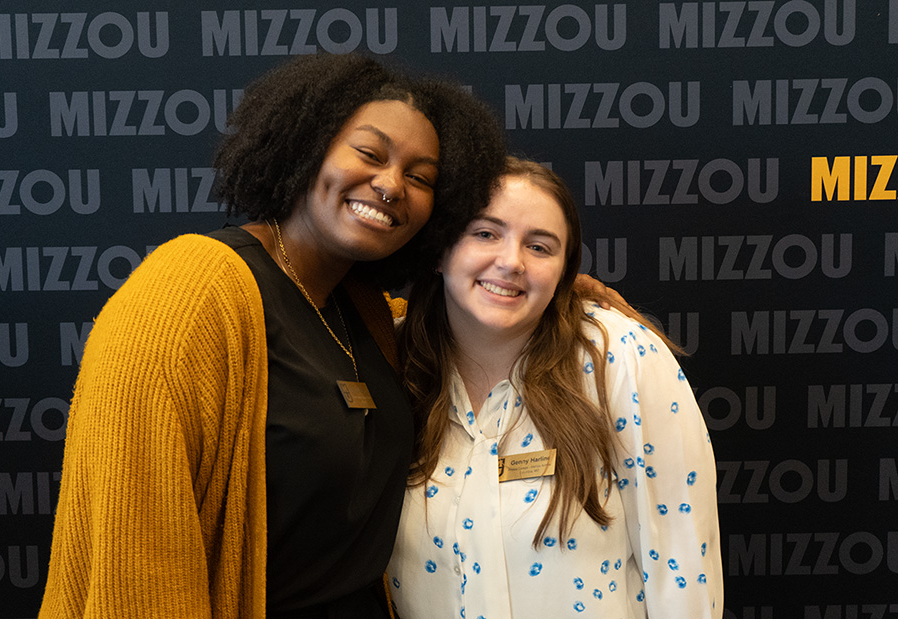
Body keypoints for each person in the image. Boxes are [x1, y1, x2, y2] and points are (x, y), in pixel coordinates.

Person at [38, 53, 507, 619]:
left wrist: (558, 292)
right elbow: (135, 546)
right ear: (307, 146)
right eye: (369, 153)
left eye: (420, 177)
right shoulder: (190, 289)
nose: (390, 185)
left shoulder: (367, 313)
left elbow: (469, 318)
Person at [387, 157, 722, 618]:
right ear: (441, 251)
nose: (510, 262)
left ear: (564, 272)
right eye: (485, 234)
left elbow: (681, 566)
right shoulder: (388, 363)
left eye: (540, 247)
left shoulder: (618, 358)